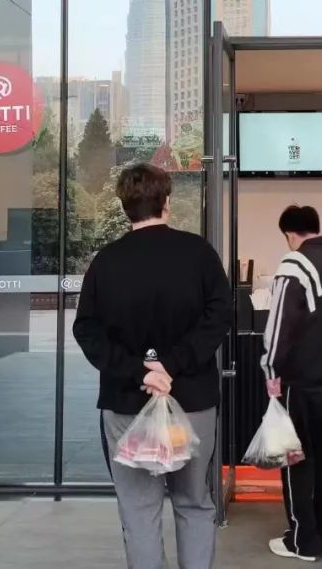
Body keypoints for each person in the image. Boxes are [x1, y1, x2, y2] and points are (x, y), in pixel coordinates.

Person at [73, 163, 231, 569]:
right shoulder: (199, 253)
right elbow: (219, 317)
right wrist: (171, 366)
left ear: (124, 206)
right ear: (167, 202)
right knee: (193, 501)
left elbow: (87, 330)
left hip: (126, 403)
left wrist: (141, 372)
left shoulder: (106, 261)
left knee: (139, 509)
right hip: (193, 401)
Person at [262, 205, 322, 562]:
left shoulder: (293, 264)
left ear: (290, 234)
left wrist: (270, 369)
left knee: (297, 459)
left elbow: (279, 325)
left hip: (301, 381)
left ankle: (302, 540)